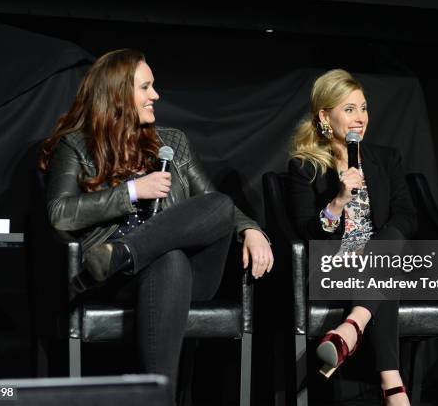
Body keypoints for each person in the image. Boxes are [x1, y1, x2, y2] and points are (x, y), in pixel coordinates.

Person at [38, 49, 273, 398]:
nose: (155, 96)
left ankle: (123, 252)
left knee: (220, 203)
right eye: (145, 87)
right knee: (169, 260)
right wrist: (132, 191)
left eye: (154, 87)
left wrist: (250, 229)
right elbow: (59, 211)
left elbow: (213, 204)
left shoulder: (172, 142)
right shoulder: (75, 146)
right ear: (117, 95)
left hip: (170, 269)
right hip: (120, 280)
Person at [288, 69, 416, 405]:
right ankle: (393, 384)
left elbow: (406, 216)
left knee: (386, 256)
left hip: (381, 258)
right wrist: (337, 202)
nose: (360, 118)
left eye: (364, 108)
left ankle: (352, 329)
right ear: (325, 116)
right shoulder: (305, 167)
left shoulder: (386, 159)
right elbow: (305, 230)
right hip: (334, 266)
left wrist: (374, 250)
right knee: (386, 273)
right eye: (349, 109)